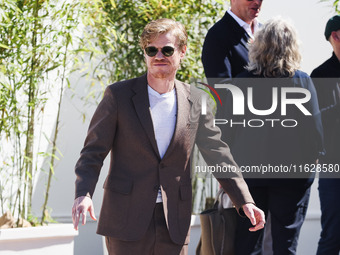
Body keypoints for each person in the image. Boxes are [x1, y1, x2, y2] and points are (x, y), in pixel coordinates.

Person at [72, 18, 265, 255]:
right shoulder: (119, 96)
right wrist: (83, 194)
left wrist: (244, 200)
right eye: (151, 50)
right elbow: (93, 152)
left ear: (182, 52)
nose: (158, 56)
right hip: (125, 218)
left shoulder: (197, 100)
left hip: (173, 219)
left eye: (167, 49)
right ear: (144, 53)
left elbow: (218, 154)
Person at [215, 18, 324, 255]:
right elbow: (315, 132)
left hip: (249, 176)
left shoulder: (240, 84)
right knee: (286, 242)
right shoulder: (302, 81)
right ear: (292, 47)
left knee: (248, 241)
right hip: (292, 177)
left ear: (258, 47)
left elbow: (225, 133)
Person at [310, 15, 340, 255]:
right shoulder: (319, 76)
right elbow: (314, 121)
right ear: (335, 37)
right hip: (333, 168)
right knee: (332, 235)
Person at [202, 0, 263, 80]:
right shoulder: (216, 35)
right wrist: (261, 69)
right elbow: (221, 89)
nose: (257, 2)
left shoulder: (268, 32)